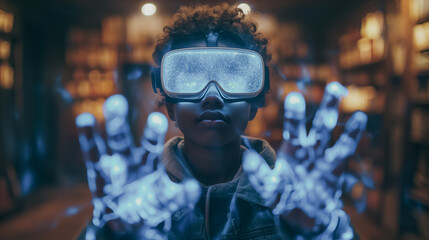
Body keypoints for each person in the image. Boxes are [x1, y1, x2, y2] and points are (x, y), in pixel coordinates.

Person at [77, 3, 367, 240]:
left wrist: (323, 228)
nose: (212, 96)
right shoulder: (140, 197)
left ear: (256, 102)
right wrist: (111, 232)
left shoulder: (289, 199)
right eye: (190, 79)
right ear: (169, 106)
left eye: (233, 78)